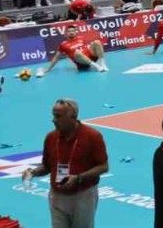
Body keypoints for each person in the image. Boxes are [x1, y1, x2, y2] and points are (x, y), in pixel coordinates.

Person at [22, 98, 109, 228]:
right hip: (57, 195)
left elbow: (103, 166)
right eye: (53, 115)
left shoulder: (93, 136)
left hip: (83, 196)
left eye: (58, 116)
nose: (53, 120)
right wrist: (32, 172)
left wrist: (78, 178)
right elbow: (47, 166)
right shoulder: (51, 137)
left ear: (73, 116)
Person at [38, 24, 108, 76]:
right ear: (66, 33)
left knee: (97, 42)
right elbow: (57, 57)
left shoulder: (81, 38)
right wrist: (48, 69)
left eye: (73, 31)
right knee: (77, 52)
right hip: (81, 63)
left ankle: (103, 64)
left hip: (91, 57)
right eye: (69, 31)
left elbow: (90, 47)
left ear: (76, 32)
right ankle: (97, 66)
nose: (71, 32)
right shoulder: (63, 44)